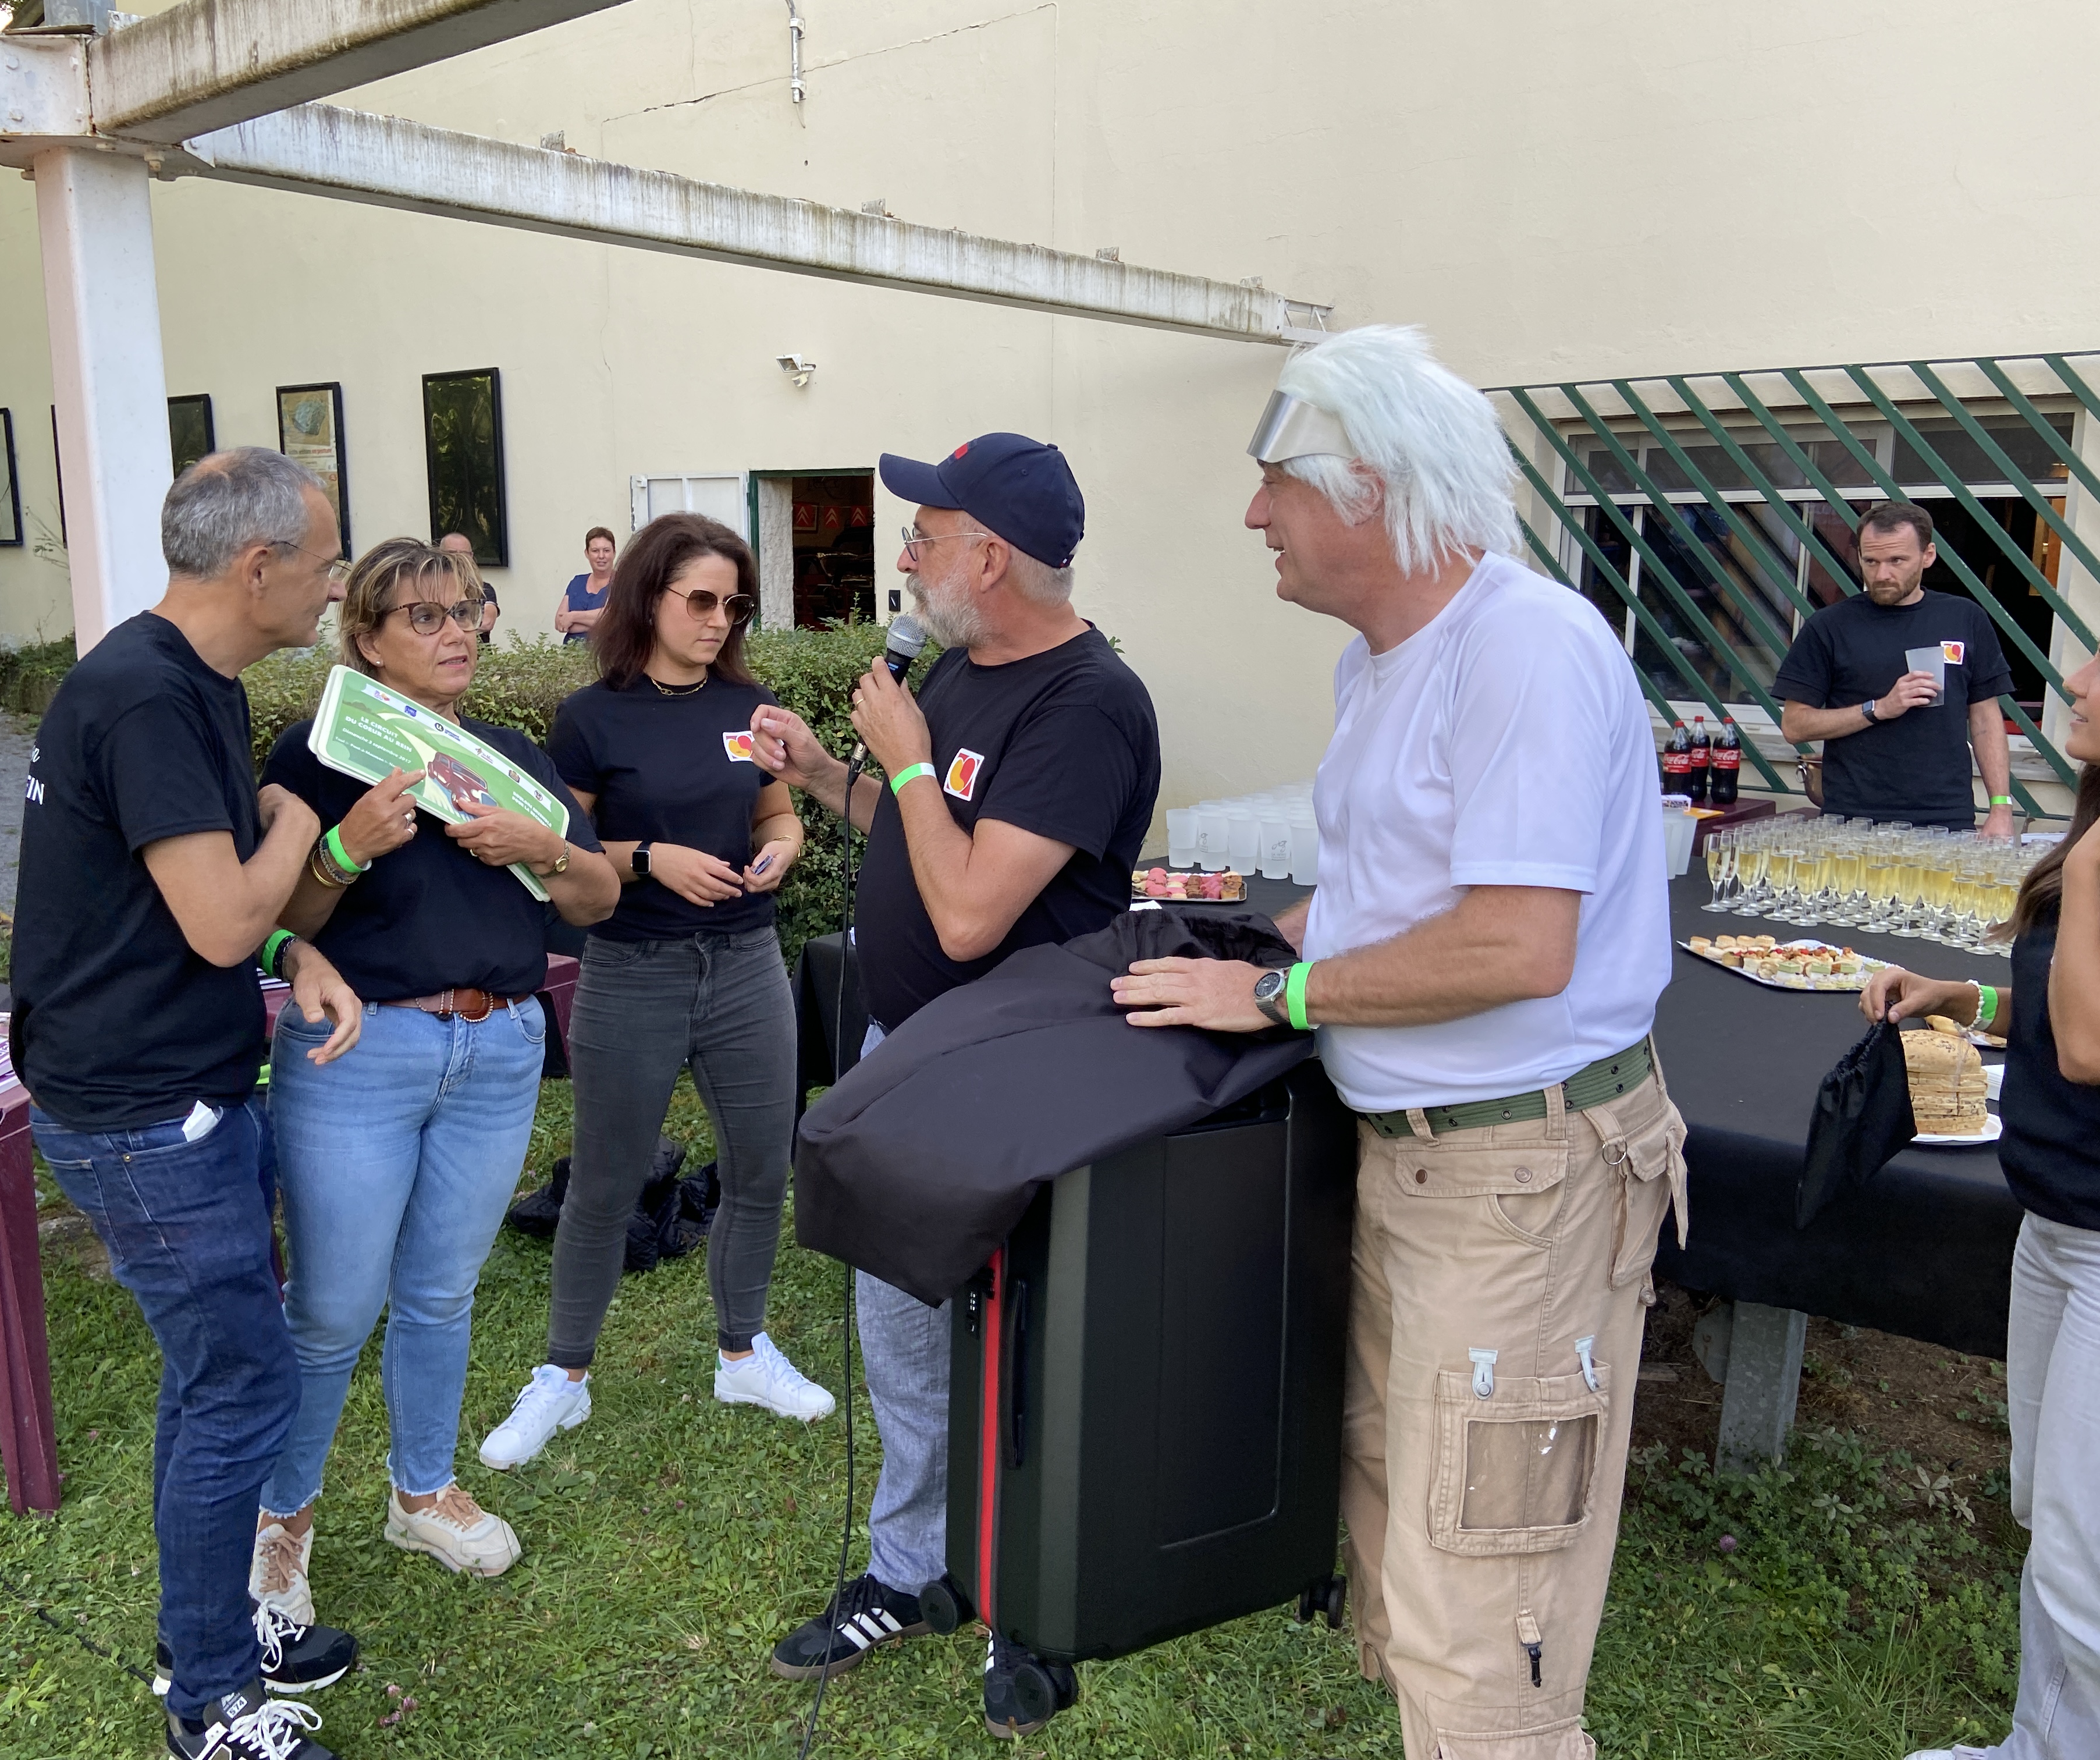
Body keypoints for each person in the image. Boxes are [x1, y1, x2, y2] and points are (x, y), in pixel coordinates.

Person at [1110, 327, 1683, 1760]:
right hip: (1430, 1172)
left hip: (1521, 1180)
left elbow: (1513, 947)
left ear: (1370, 487)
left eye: (1274, 487)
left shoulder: (1527, 651)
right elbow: (1389, 888)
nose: (1254, 519)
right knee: (1406, 1546)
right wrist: (1244, 945)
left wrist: (1281, 1001)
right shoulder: (1386, 663)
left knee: (1484, 1606)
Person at [746, 433, 1160, 1740]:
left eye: (924, 533)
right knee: (900, 1330)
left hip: (1017, 1084)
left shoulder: (1089, 703)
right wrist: (832, 778)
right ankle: (910, 1567)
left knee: (1022, 1352)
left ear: (988, 554)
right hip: (911, 1056)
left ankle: (1030, 1609)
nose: (906, 554)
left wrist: (911, 760)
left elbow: (976, 912)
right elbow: (930, 845)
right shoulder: (964, 675)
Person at [11, 448, 366, 1760]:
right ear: (257, 565)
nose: (333, 587)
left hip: (173, 1092)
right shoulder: (149, 698)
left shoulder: (187, 679)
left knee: (212, 1377)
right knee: (241, 1388)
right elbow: (222, 914)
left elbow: (197, 903)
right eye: (324, 563)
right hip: (146, 1115)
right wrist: (297, 834)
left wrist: (299, 943)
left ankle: (203, 1628)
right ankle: (211, 1695)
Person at [247, 538, 617, 1623]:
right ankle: (284, 1519)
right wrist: (342, 851)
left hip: (498, 1047)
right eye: (423, 615)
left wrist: (537, 844)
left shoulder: (509, 754)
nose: (455, 630)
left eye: (466, 609)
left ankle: (420, 1490)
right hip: (361, 1056)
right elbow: (269, 923)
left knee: (441, 1291)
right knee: (328, 1307)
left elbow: (595, 900)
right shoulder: (313, 759)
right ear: (365, 639)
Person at [477, 511, 835, 1471]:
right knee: (603, 1181)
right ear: (649, 597)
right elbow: (569, 859)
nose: (719, 619)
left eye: (733, 603)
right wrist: (652, 858)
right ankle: (565, 1375)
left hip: (746, 962)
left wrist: (780, 852)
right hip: (633, 969)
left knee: (763, 1165)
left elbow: (778, 812)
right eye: (700, 599)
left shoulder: (746, 704)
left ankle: (743, 1349)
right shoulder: (591, 717)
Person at [1874, 653, 2100, 1760]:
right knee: (2046, 1514)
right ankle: (2038, 1745)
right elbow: (2066, 1006)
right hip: (2055, 1224)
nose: (2078, 675)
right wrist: (1966, 996)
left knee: (2084, 1545)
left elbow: (2093, 1044)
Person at [1775, 501, 2017, 834]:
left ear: (1928, 555)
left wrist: (2001, 807)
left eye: (1897, 561)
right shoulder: (1829, 626)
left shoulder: (1965, 618)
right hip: (1853, 821)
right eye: (1870, 561)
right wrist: (1879, 709)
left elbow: (1986, 719)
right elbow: (1795, 726)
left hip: (1946, 819)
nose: (1881, 574)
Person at [554, 526, 617, 643]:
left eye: (606, 550)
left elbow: (612, 618)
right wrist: (600, 621)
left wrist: (572, 617)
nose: (601, 556)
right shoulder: (577, 582)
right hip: (571, 656)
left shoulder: (622, 582)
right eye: (595, 551)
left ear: (614, 553)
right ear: (587, 553)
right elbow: (560, 622)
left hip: (606, 654)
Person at [436, 531, 499, 643]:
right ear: (440, 555)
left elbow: (487, 622)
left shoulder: (483, 589)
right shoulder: (432, 589)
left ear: (471, 556)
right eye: (452, 553)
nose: (459, 559)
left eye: (464, 554)